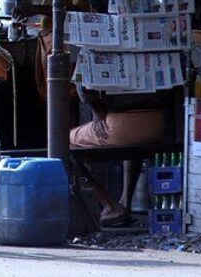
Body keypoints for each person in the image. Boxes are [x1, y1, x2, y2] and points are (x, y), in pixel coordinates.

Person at [70, 88, 165, 227]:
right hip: (156, 123)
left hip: (120, 125)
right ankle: (125, 203)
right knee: (133, 145)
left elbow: (83, 88)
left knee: (62, 141)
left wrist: (97, 111)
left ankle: (110, 206)